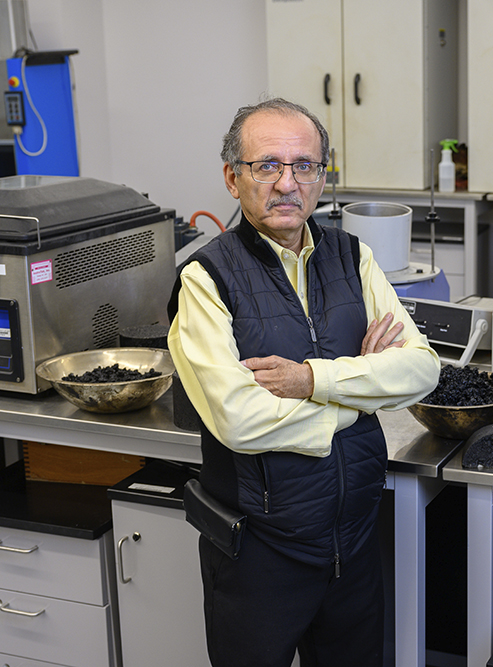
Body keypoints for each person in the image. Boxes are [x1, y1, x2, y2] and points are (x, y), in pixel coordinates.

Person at [167, 97, 440, 667]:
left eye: (304, 166)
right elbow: (239, 419)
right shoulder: (206, 278)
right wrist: (360, 398)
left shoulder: (352, 257)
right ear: (232, 178)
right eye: (267, 165)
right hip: (259, 550)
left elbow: (421, 369)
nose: (287, 183)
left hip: (355, 538)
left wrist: (311, 379)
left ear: (322, 176)